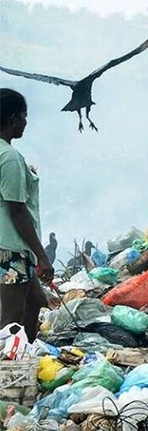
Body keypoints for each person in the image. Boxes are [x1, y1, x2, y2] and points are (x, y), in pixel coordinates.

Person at [0, 88, 53, 340]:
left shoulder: (6, 155)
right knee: (11, 317)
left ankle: (25, 355)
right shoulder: (9, 157)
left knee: (35, 302)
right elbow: (17, 210)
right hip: (11, 249)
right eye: (23, 116)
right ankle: (7, 371)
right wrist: (41, 255)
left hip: (9, 246)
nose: (25, 122)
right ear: (12, 120)